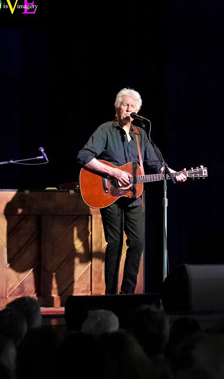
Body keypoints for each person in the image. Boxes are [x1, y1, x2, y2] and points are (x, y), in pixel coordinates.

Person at [77, 88, 186, 295]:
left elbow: (156, 164)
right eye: (125, 105)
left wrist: (174, 173)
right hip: (109, 193)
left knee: (137, 243)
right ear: (117, 108)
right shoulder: (105, 130)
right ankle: (110, 294)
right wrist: (113, 173)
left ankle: (127, 294)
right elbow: (84, 156)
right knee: (115, 243)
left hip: (134, 196)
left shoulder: (140, 134)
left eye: (133, 107)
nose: (129, 110)